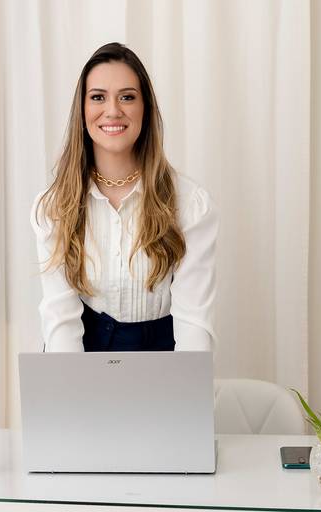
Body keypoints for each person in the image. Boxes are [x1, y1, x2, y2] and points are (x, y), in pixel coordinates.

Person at [30, 42, 219, 352]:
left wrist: (187, 384)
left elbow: (194, 324)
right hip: (80, 361)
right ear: (82, 111)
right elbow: (60, 322)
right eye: (98, 97)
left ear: (145, 109)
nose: (113, 110)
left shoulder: (190, 204)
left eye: (127, 97)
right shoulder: (53, 207)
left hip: (165, 362)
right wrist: (70, 384)